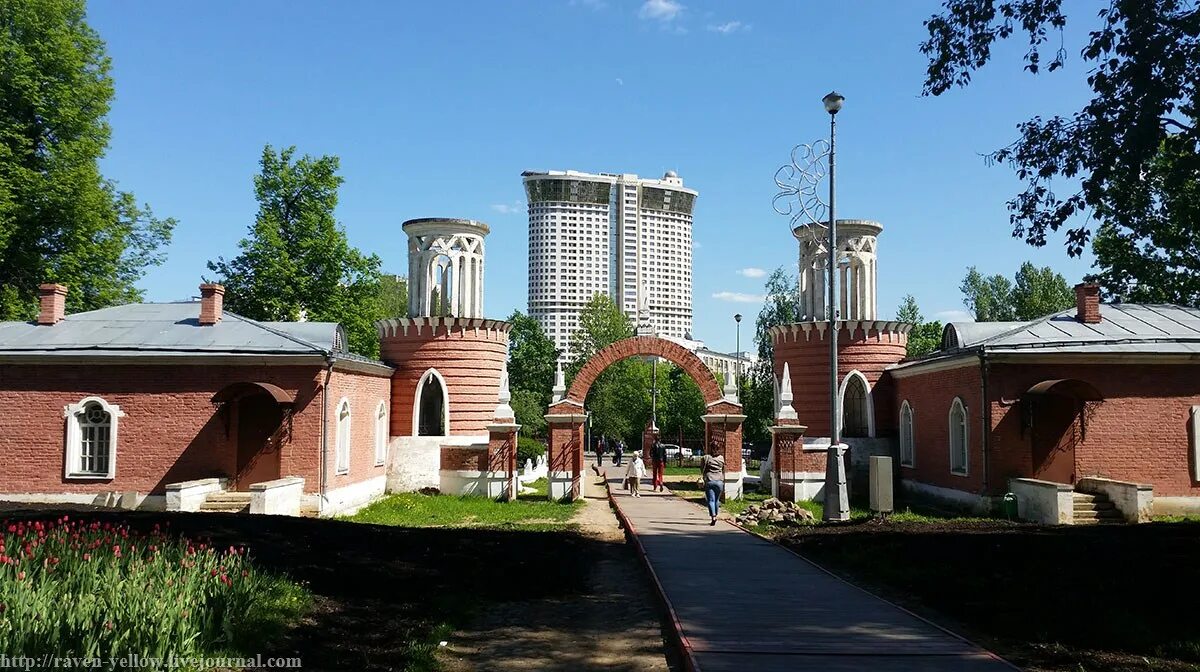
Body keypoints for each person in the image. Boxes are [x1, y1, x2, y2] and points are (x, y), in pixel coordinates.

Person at [700, 442, 725, 526]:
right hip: (719, 481)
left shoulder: (706, 458)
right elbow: (723, 469)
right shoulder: (721, 458)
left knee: (711, 500)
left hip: (710, 480)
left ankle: (713, 517)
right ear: (719, 448)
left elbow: (702, 469)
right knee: (717, 500)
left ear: (710, 448)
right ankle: (716, 514)